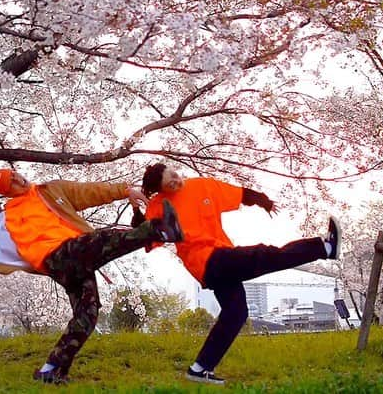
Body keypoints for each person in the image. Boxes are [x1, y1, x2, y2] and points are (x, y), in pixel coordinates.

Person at [133, 163, 340, 385]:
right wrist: (136, 210)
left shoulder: (202, 186)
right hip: (207, 261)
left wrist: (262, 201)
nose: (175, 182)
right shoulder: (158, 205)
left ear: (174, 170)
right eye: (169, 184)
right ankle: (324, 248)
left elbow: (237, 194)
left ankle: (200, 368)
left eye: (174, 176)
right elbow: (142, 234)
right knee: (264, 255)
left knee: (236, 313)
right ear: (161, 190)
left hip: (220, 257)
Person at [0, 167, 183, 384]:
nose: (18, 179)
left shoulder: (51, 190)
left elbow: (88, 191)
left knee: (87, 313)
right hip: (56, 256)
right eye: (11, 183)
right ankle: (158, 230)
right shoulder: (9, 213)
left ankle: (50, 370)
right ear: (7, 192)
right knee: (99, 240)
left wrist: (124, 190)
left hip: (75, 257)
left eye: (15, 174)